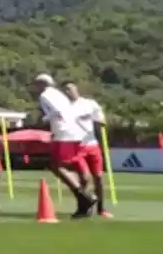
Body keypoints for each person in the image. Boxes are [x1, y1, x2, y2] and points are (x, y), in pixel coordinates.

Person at [33, 73, 95, 218]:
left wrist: (44, 119)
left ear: (43, 83)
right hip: (75, 132)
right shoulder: (59, 94)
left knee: (56, 166)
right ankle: (83, 205)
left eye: (37, 84)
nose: (35, 87)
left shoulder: (45, 96)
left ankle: (85, 196)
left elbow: (57, 112)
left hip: (63, 133)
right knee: (76, 165)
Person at [65, 83, 112, 218]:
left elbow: (101, 119)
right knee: (84, 178)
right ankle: (84, 208)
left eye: (70, 88)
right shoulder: (65, 107)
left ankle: (101, 208)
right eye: (66, 90)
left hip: (92, 145)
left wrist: (97, 121)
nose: (69, 91)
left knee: (98, 177)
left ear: (76, 89)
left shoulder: (89, 103)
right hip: (77, 147)